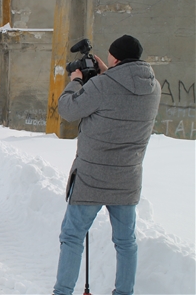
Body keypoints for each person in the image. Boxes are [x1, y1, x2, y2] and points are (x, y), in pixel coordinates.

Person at [53, 35, 161, 295]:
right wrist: (107, 73)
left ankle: (63, 292)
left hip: (91, 177)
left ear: (115, 57)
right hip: (127, 179)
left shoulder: (101, 86)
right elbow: (123, 93)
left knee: (72, 237)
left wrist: (76, 81)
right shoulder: (153, 87)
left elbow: (68, 110)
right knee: (126, 243)